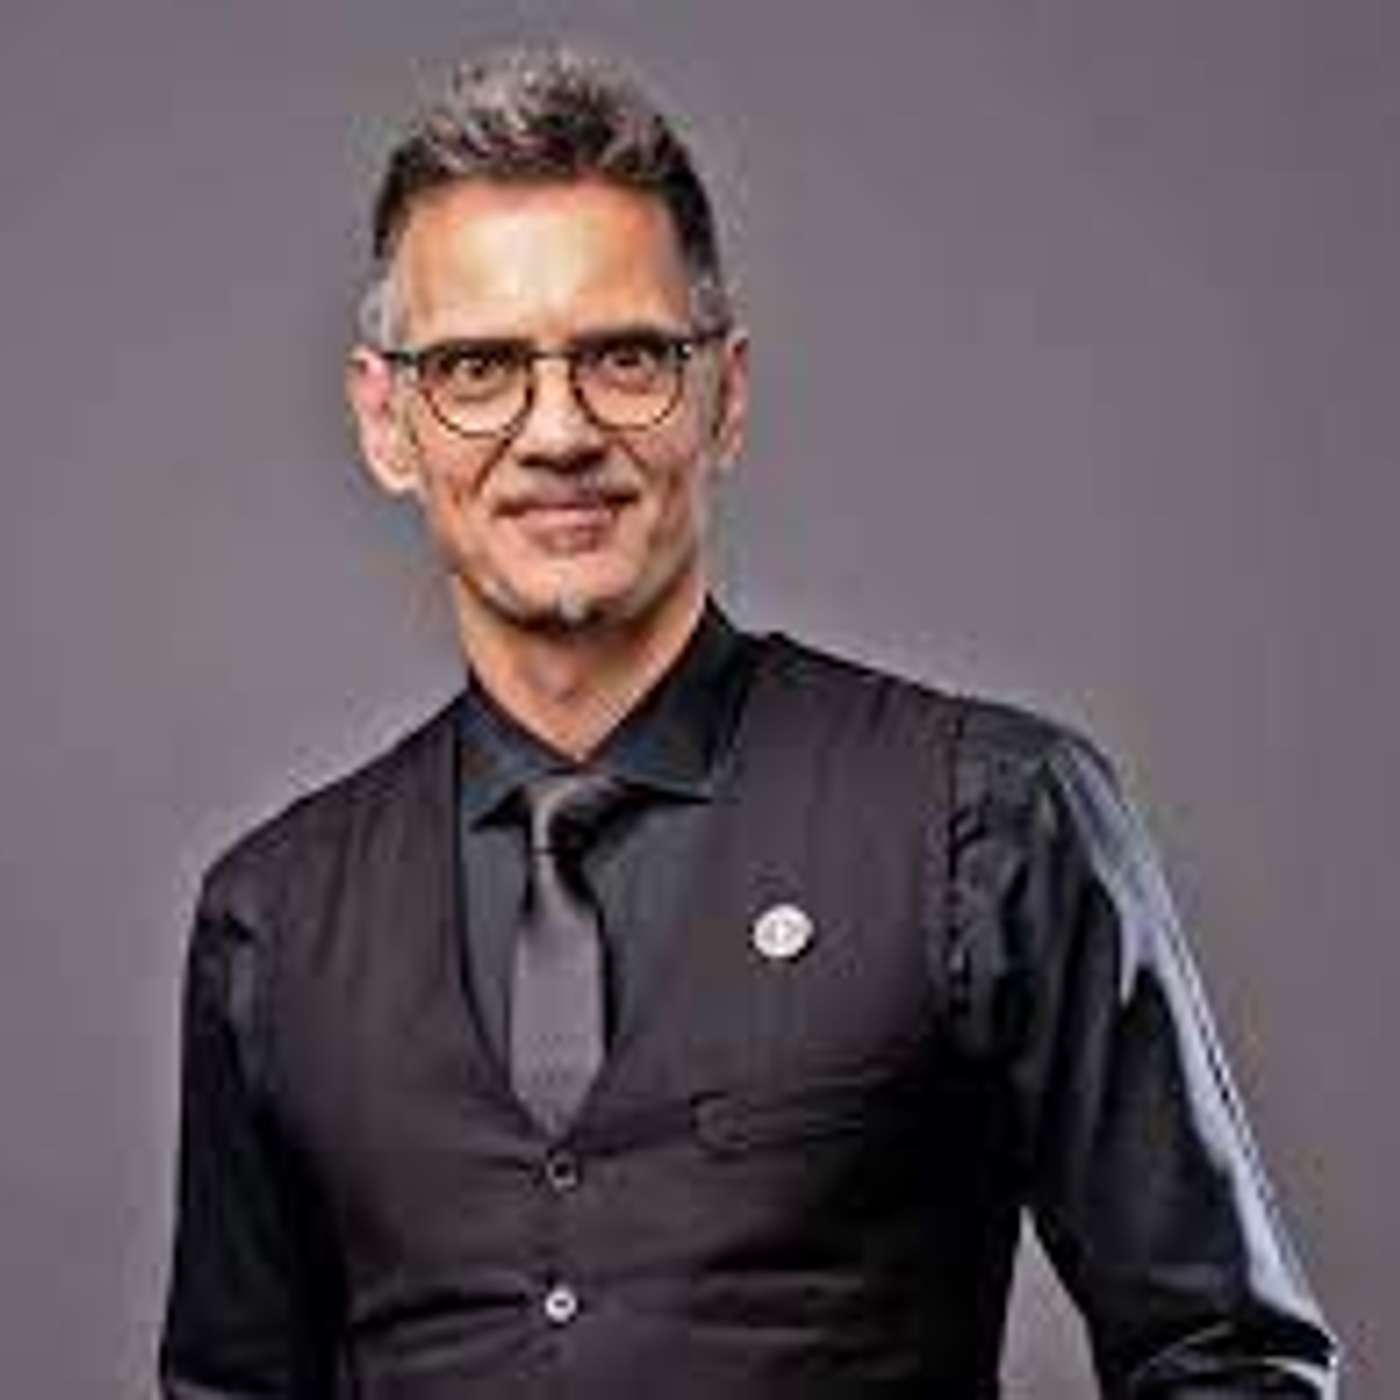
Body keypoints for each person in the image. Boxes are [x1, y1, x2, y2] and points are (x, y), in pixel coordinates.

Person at [157, 44, 1338, 1398]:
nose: (557, 431)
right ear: (387, 421)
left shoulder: (989, 821)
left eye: (626, 358)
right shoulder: (277, 919)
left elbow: (1229, 1361)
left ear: (725, 394)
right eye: (479, 367)